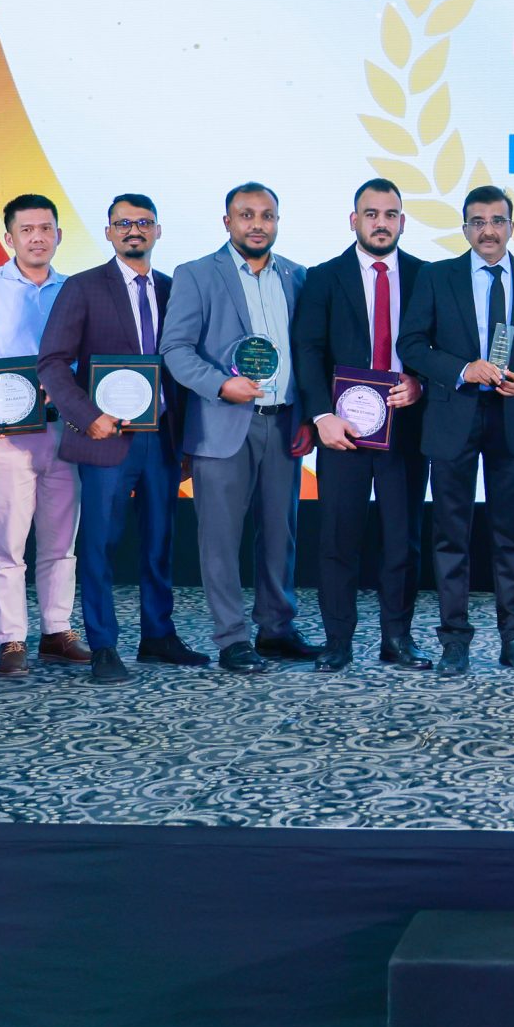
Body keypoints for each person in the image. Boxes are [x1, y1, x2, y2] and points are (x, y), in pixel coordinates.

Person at [38, 193, 210, 682]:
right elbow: (52, 362)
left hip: (163, 437)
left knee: (160, 542)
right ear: (109, 232)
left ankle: (158, 635)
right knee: (100, 544)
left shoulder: (175, 289)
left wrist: (188, 441)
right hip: (104, 437)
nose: (134, 230)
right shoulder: (83, 287)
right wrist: (86, 416)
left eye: (144, 222)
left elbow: (187, 367)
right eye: (123, 223)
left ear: (158, 230)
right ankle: (103, 645)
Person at [160, 182, 313, 668]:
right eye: (246, 215)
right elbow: (175, 350)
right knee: (220, 540)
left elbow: (308, 352)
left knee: (280, 534)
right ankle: (231, 639)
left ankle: (276, 629)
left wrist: (308, 414)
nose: (257, 224)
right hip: (221, 424)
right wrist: (221, 385)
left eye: (267, 215)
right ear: (227, 222)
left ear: (277, 222)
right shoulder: (197, 274)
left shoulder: (298, 276)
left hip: (284, 422)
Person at [397, 184, 514, 677]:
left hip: (511, 418)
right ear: (464, 229)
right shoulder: (437, 277)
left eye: (497, 220)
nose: (488, 230)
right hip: (452, 417)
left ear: (512, 227)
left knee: (511, 535)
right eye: (477, 222)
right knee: (450, 536)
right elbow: (411, 344)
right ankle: (454, 640)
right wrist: (462, 369)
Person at [291, 179, 431, 672]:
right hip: (341, 432)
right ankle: (337, 642)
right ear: (354, 221)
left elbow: (437, 347)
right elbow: (308, 350)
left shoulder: (426, 276)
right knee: (338, 538)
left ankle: (398, 639)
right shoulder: (323, 278)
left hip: (405, 428)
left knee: (402, 540)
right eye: (371, 214)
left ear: (402, 222)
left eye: (390, 214)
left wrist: (420, 384)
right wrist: (320, 416)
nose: (380, 223)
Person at [0, 194, 84, 680]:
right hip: (4, 433)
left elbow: (87, 354)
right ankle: (11, 639)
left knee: (61, 541)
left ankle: (56, 631)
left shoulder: (75, 288)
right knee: (8, 544)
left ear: (59, 235)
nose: (37, 238)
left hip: (64, 431)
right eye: (27, 230)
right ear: (9, 238)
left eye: (46, 229)